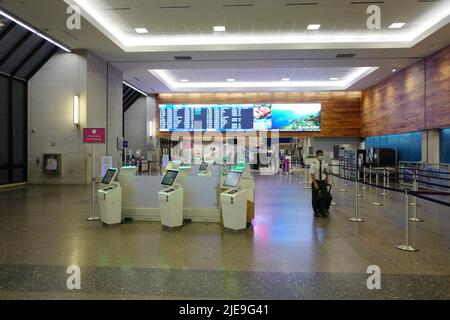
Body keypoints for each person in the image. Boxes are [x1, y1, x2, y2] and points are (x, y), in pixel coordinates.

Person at [309, 150, 329, 218]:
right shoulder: (313, 163)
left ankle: (322, 210)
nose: (321, 156)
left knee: (325, 197)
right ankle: (315, 211)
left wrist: (326, 181)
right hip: (316, 182)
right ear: (317, 155)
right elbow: (312, 174)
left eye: (322, 155)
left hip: (323, 182)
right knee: (315, 198)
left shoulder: (325, 163)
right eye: (320, 155)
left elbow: (326, 172)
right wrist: (315, 183)